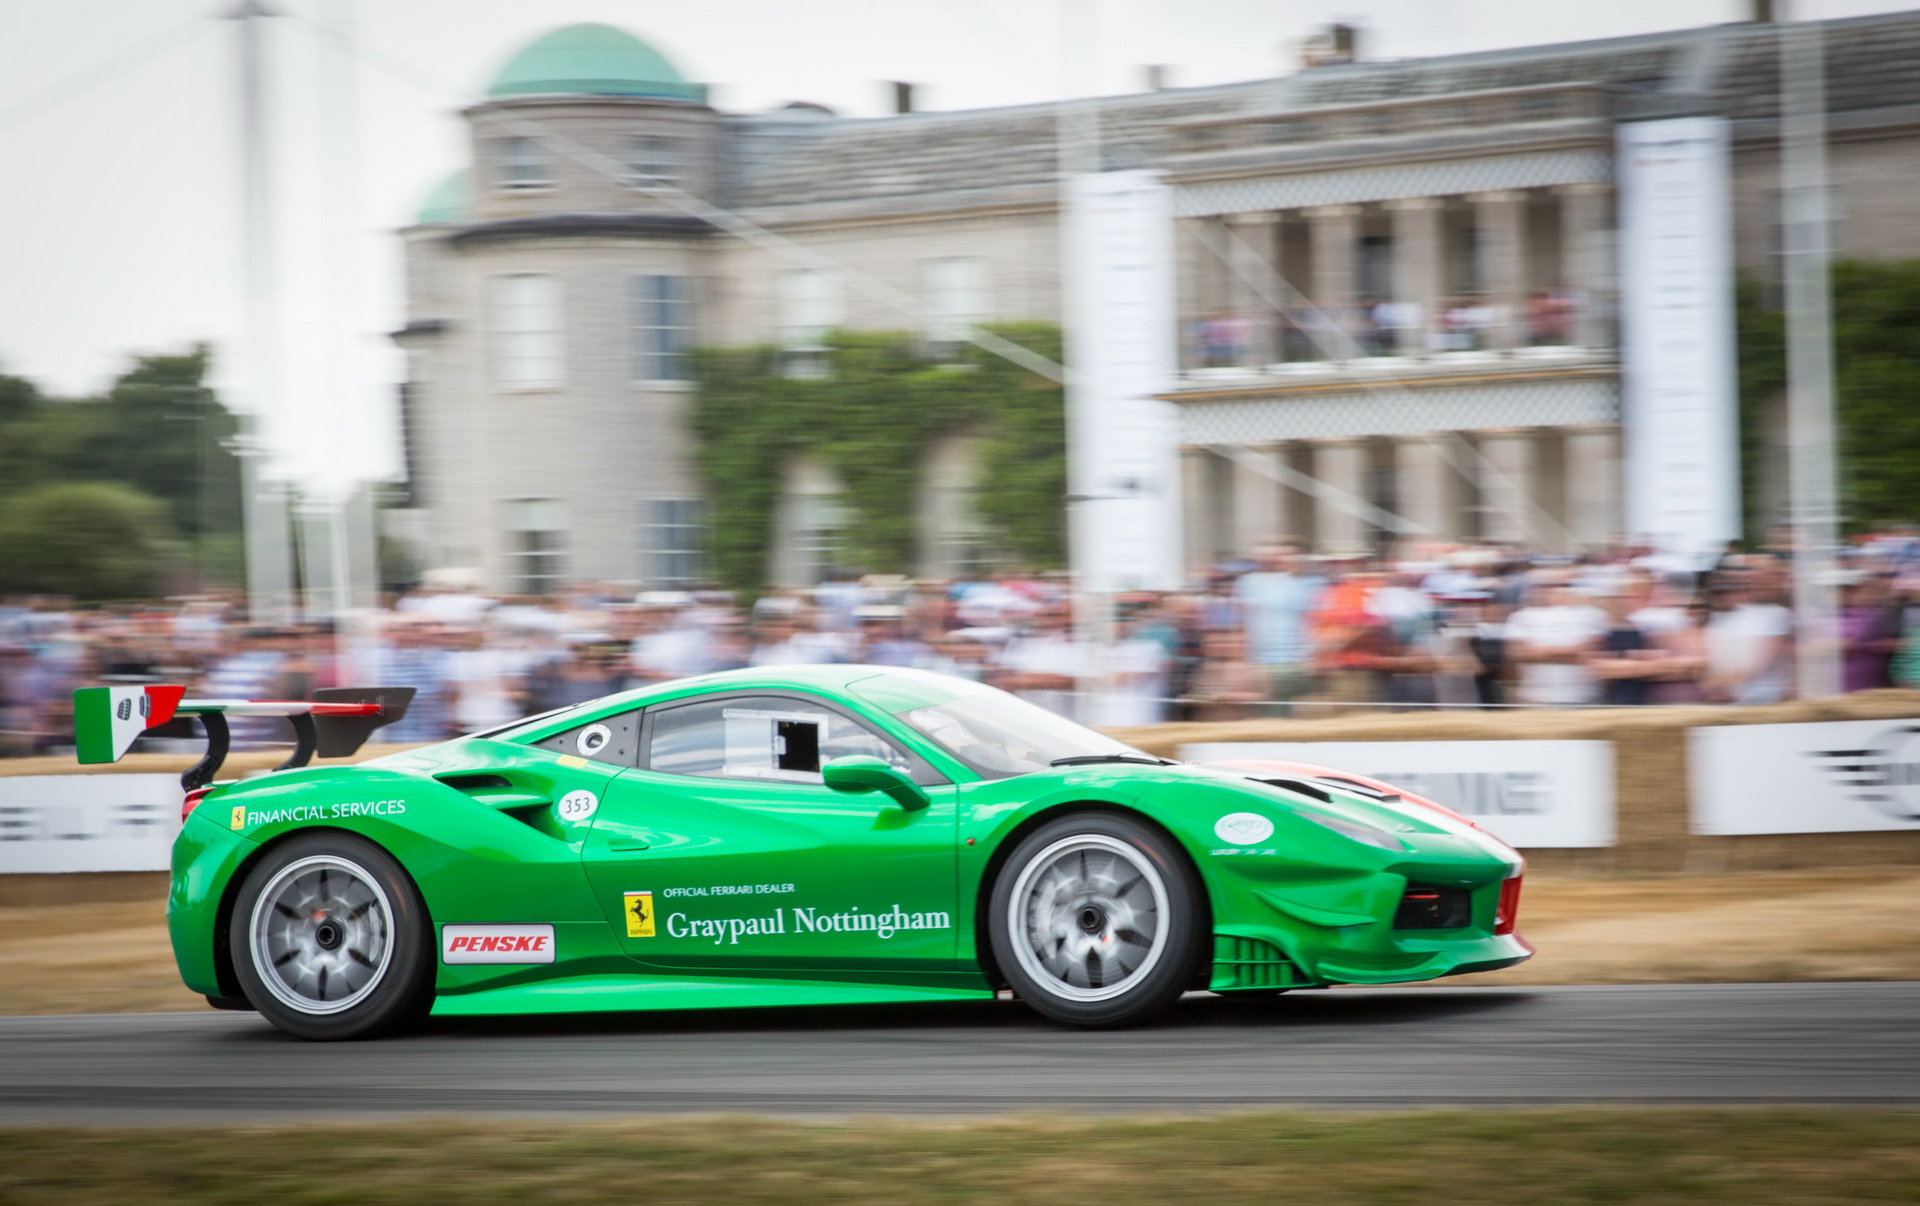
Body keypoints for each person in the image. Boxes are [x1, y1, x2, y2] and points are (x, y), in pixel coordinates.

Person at [1234, 542, 1324, 711]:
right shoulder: (1248, 583)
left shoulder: (1309, 583)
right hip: (1260, 661)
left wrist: (1312, 657)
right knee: (1265, 711)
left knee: (1295, 713)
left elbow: (1314, 621)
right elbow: (1241, 624)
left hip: (1296, 660)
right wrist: (1243, 661)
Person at [1502, 577, 1607, 707]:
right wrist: (1571, 652)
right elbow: (1521, 654)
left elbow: (1591, 650)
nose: (1550, 591)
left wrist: (1540, 652)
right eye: (1543, 586)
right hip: (1536, 697)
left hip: (1583, 697)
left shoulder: (1592, 615)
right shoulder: (1520, 617)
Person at [1702, 565, 1793, 704]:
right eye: (1719, 591)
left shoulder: (1776, 614)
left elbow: (1760, 661)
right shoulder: (1727, 619)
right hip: (1734, 700)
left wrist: (1720, 684)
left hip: (1764, 700)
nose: (1726, 594)